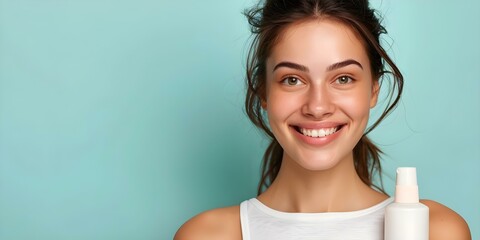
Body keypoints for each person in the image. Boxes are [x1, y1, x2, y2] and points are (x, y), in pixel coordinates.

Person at [175, 0, 471, 239]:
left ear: (373, 90)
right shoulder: (209, 234)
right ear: (263, 91)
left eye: (343, 78)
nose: (317, 107)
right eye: (292, 80)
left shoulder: (435, 231)